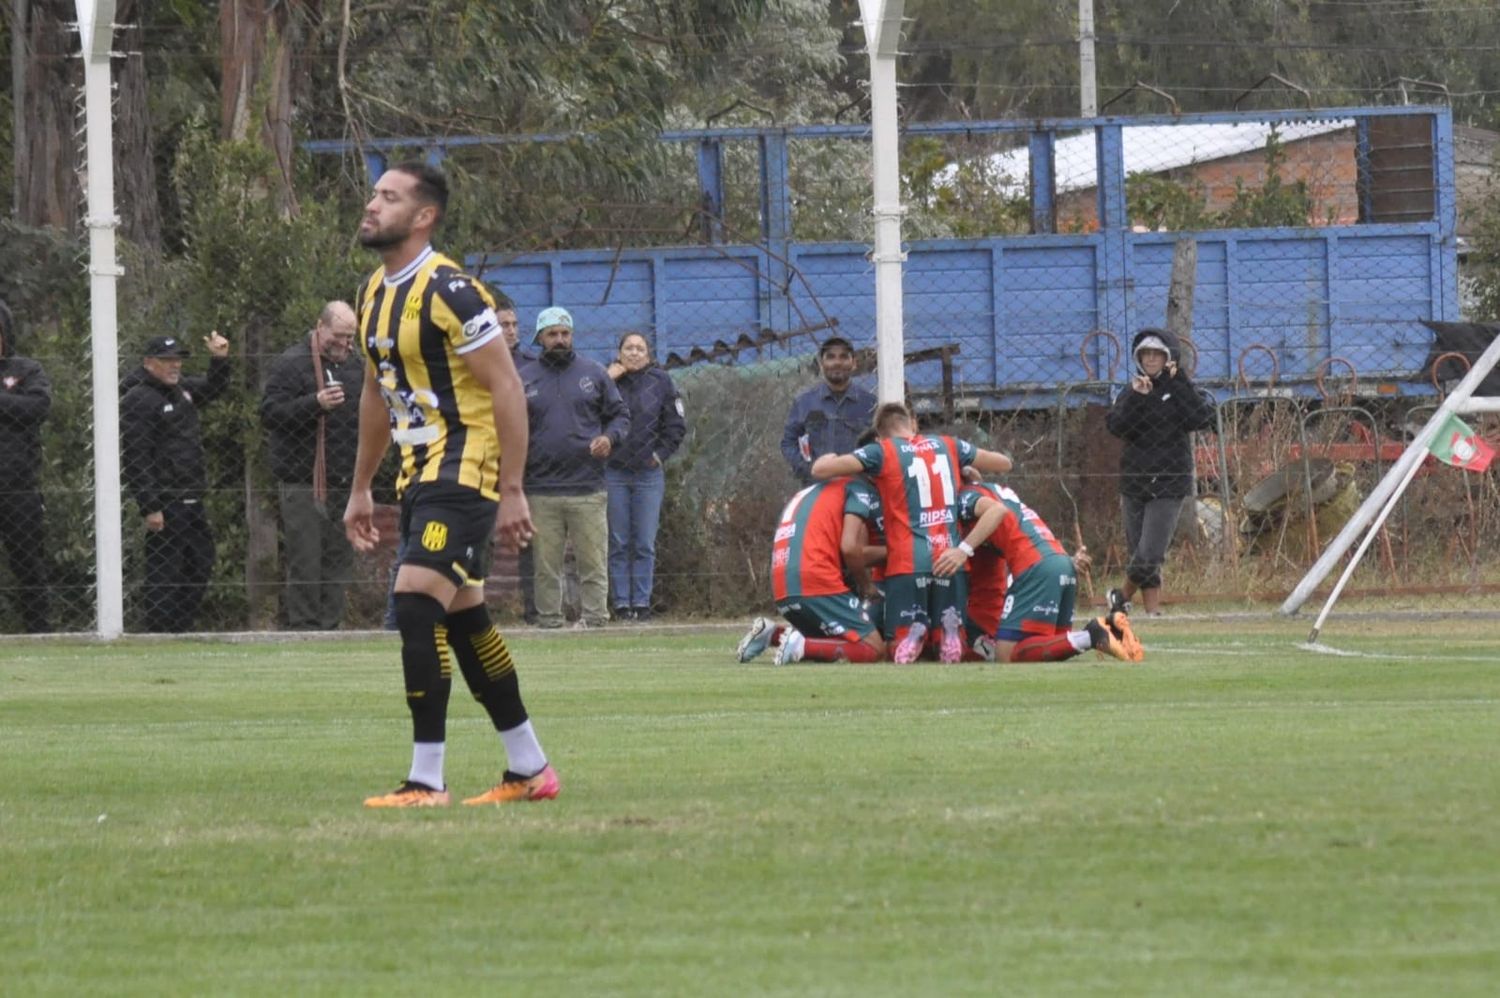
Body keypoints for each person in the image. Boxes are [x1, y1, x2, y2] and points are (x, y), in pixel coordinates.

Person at [343, 161, 558, 809]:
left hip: (466, 466)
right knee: (465, 620)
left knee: (414, 603)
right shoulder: (372, 294)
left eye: (389, 197)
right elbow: (378, 396)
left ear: (424, 216)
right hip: (419, 475)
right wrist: (360, 488)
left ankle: (426, 780)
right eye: (374, 194)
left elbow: (506, 386)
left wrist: (513, 488)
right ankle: (530, 769)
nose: (372, 205)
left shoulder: (454, 291)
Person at [811, 402, 1012, 664]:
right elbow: (1004, 463)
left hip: (908, 562)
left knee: (898, 651)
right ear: (913, 424)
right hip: (950, 557)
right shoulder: (950, 445)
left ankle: (913, 635)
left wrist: (829, 458)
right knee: (951, 651)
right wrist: (965, 471)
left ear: (880, 434)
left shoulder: (881, 451)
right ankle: (946, 634)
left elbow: (820, 471)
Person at [935, 478, 1142, 663]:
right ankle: (1111, 627)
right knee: (1050, 648)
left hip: (1037, 568)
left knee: (1006, 654)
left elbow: (997, 510)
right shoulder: (997, 490)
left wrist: (962, 550)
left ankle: (1092, 634)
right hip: (1061, 563)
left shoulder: (967, 496)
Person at [518, 306, 630, 629]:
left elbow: (620, 416)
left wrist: (610, 438)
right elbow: (509, 426)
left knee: (593, 562)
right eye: (552, 334)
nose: (560, 339)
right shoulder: (524, 378)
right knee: (545, 565)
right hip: (540, 488)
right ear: (540, 337)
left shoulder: (594, 373)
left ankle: (595, 620)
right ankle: (550, 622)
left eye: (565, 333)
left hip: (588, 487)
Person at [260, 301, 363, 630]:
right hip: (303, 481)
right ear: (320, 327)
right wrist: (313, 404)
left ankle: (331, 628)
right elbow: (270, 413)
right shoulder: (291, 364)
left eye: (350, 337)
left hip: (345, 480)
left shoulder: (355, 365)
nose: (345, 343)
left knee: (338, 560)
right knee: (306, 560)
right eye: (339, 335)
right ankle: (304, 629)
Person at [120, 331, 232, 633]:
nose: (174, 366)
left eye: (178, 360)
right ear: (148, 362)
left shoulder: (182, 390)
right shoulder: (138, 399)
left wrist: (219, 359)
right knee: (164, 570)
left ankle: (180, 628)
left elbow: (213, 388)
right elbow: (136, 457)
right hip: (166, 502)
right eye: (166, 360)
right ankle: (158, 633)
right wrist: (150, 506)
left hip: (193, 497)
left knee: (200, 562)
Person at [1105, 327, 1215, 617]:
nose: (1151, 359)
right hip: (1135, 480)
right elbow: (1117, 426)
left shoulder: (1179, 389)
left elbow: (1201, 417)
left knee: (1151, 552)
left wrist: (1178, 380)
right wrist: (1138, 398)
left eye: (1157, 353)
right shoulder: (1131, 391)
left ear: (1168, 357)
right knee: (1138, 552)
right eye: (1146, 353)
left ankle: (1120, 596)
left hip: (1170, 480)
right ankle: (1152, 613)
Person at [735, 475, 886, 665]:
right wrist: (868, 584)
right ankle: (801, 645)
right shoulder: (858, 488)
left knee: (835, 640)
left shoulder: (814, 490)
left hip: (783, 584)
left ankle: (772, 635)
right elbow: (850, 548)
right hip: (815, 580)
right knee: (874, 649)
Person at [605, 332, 686, 621]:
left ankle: (640, 603)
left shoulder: (661, 382)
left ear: (649, 354)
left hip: (648, 475)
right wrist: (608, 378)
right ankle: (621, 605)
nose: (635, 353)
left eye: (641, 348)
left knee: (643, 542)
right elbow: (586, 412)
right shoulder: (607, 381)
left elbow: (676, 426)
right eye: (629, 348)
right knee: (618, 541)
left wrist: (659, 455)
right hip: (613, 472)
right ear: (619, 353)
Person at [0, 299, 52, 633]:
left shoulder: (27, 370)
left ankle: (40, 631)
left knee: (28, 562)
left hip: (18, 487)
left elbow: (38, 406)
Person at [780, 336, 877, 486]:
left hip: (859, 488)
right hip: (818, 487)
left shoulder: (870, 403)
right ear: (821, 363)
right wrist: (809, 469)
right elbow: (788, 442)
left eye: (844, 357)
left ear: (854, 363)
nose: (837, 362)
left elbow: (882, 444)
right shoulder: (804, 402)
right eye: (830, 357)